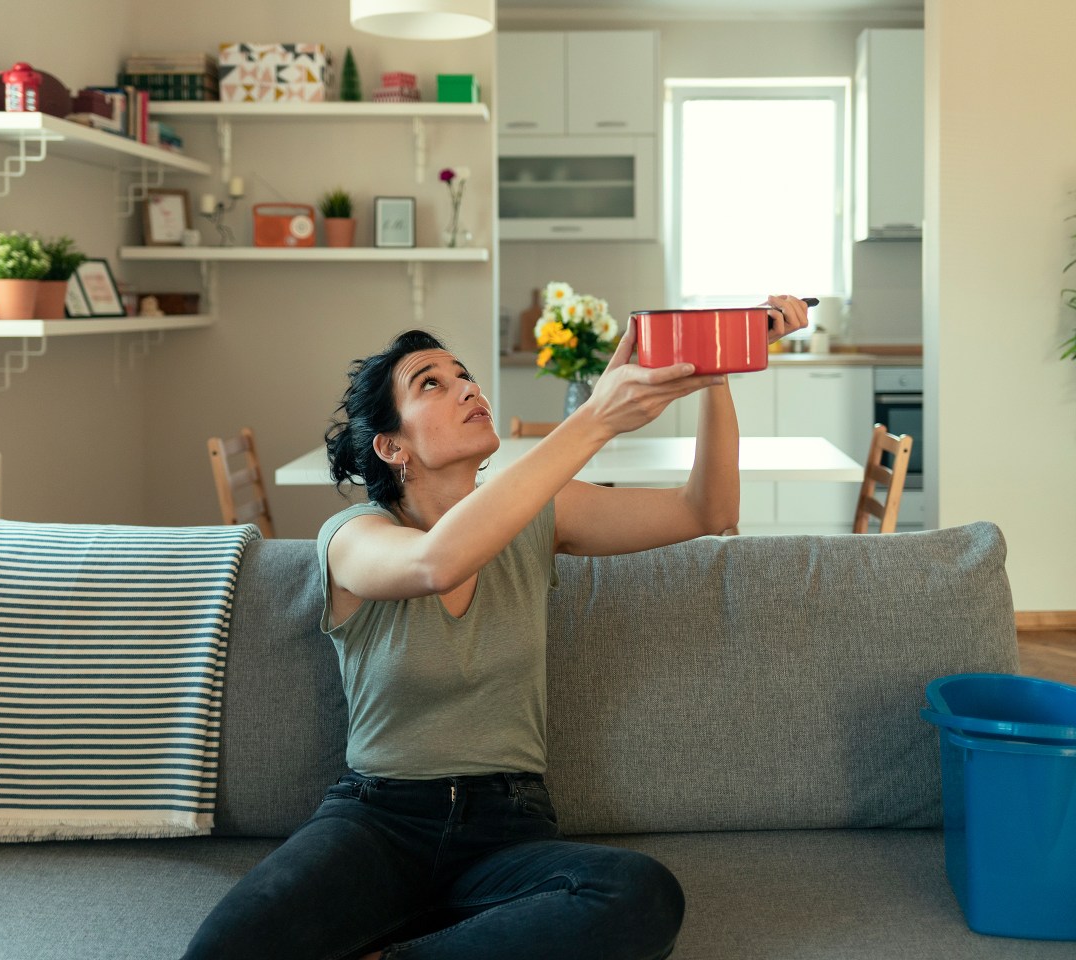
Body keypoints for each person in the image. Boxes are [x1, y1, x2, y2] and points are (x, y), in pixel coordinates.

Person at [182, 297, 810, 960]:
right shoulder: (355, 537)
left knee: (641, 895)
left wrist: (717, 370)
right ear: (392, 446)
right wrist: (594, 420)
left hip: (508, 831)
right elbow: (435, 561)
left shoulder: (542, 515)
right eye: (432, 383)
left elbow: (707, 509)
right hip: (378, 823)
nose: (466, 388)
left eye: (464, 376)